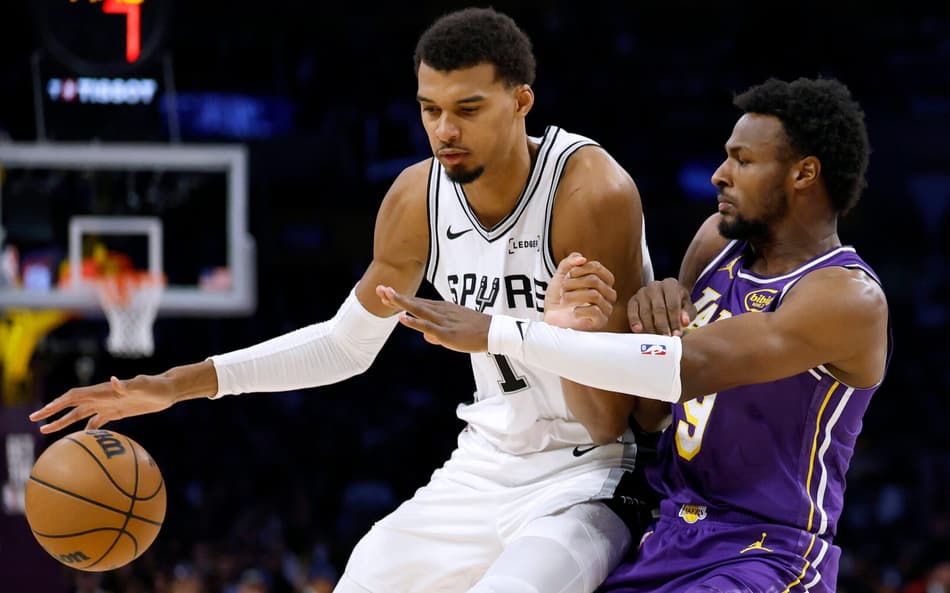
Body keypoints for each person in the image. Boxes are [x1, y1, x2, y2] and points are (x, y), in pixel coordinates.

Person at [30, 8, 667, 593]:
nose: (444, 131)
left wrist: (552, 333)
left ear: (521, 99)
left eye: (467, 109)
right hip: (482, 468)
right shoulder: (417, 199)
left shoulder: (589, 192)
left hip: (590, 477)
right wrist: (176, 386)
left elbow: (612, 421)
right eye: (430, 109)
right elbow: (345, 346)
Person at [376, 76, 892, 593]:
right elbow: (650, 411)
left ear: (804, 173)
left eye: (743, 161)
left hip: (763, 551)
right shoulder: (715, 242)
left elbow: (683, 369)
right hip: (666, 532)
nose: (719, 175)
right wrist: (616, 320)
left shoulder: (847, 299)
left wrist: (501, 331)